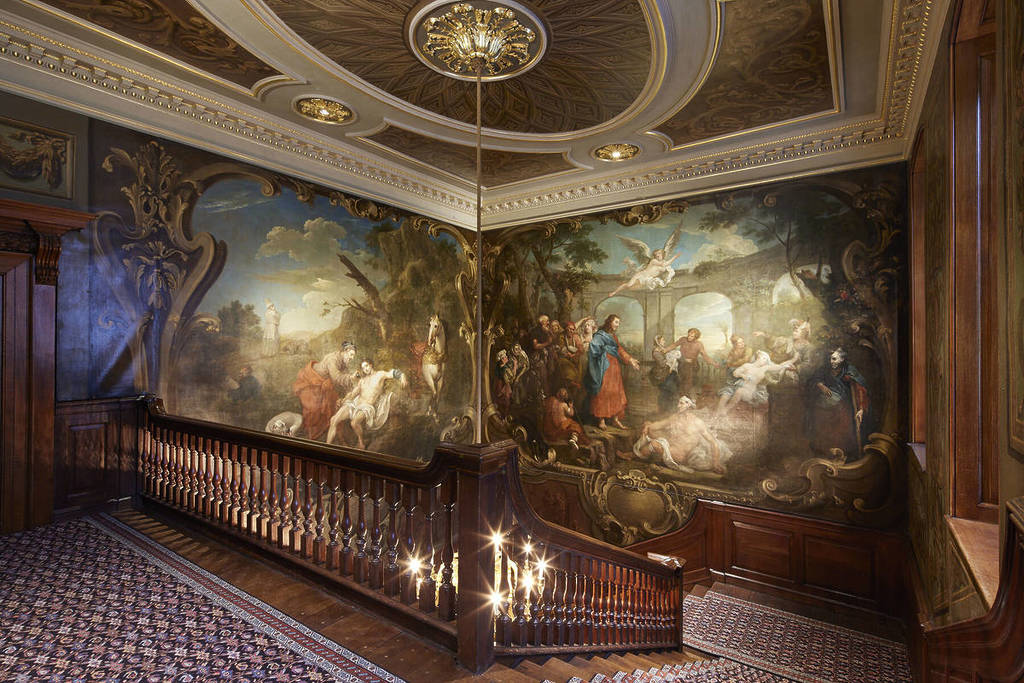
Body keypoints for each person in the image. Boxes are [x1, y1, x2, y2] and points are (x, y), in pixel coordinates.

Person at [631, 396, 732, 474]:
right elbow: (656, 426)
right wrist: (647, 425)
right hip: (671, 447)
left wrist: (715, 462)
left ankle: (634, 456)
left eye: (681, 403)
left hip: (681, 455)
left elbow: (713, 442)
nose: (678, 406)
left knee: (654, 444)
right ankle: (637, 455)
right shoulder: (675, 417)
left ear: (688, 405)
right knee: (649, 428)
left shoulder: (697, 422)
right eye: (679, 403)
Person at [326, 359, 407, 449]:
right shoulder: (362, 380)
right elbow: (353, 394)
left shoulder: (379, 375)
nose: (365, 369)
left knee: (354, 423)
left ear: (371, 365)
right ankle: (326, 446)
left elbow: (391, 373)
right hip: (354, 404)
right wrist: (343, 400)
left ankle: (361, 443)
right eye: (363, 368)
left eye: (366, 366)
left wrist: (402, 376)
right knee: (333, 420)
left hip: (367, 407)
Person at [806, 348, 868, 460]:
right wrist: (821, 385)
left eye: (834, 359)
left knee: (842, 429)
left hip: (843, 405)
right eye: (830, 359)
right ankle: (824, 453)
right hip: (824, 406)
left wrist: (861, 409)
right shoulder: (826, 369)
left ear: (842, 359)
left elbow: (860, 389)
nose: (831, 361)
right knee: (822, 426)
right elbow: (813, 379)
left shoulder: (849, 370)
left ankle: (843, 455)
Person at [292, 341, 358, 441]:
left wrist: (353, 389)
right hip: (311, 380)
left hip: (324, 382)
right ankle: (309, 435)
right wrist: (350, 378)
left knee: (332, 405)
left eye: (353, 356)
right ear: (346, 351)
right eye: (351, 355)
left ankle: (330, 432)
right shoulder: (333, 359)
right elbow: (336, 378)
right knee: (314, 408)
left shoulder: (343, 361)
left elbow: (346, 378)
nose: (352, 358)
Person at [585, 314, 640, 430]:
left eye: (619, 323)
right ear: (610, 322)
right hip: (603, 366)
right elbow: (593, 348)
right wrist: (603, 350)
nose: (617, 325)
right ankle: (601, 420)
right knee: (603, 391)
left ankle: (615, 419)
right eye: (616, 322)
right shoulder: (600, 335)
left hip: (614, 367)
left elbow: (619, 349)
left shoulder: (613, 337)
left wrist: (630, 360)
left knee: (616, 391)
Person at [714, 350, 795, 417]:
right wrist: (743, 375)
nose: (766, 362)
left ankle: (726, 409)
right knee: (726, 393)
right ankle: (718, 411)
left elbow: (778, 367)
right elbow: (735, 372)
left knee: (740, 391)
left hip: (749, 390)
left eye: (766, 360)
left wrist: (787, 365)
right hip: (737, 385)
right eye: (764, 359)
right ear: (758, 358)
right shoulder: (747, 365)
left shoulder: (765, 368)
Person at [666, 328, 717, 398]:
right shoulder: (683, 339)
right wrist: (665, 350)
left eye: (691, 336)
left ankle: (685, 396)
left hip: (692, 365)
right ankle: (682, 396)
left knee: (688, 381)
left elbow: (705, 356)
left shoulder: (699, 344)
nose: (689, 337)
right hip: (681, 364)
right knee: (680, 380)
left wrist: (713, 363)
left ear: (696, 337)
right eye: (688, 335)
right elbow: (673, 345)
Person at [650, 335, 681, 413]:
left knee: (670, 392)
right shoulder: (656, 352)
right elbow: (662, 364)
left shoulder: (663, 350)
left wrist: (673, 359)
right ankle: (664, 410)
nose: (664, 342)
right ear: (658, 342)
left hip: (668, 373)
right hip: (662, 374)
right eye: (663, 340)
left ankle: (669, 410)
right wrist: (673, 361)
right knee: (667, 391)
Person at [493, 348, 518, 417]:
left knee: (502, 402)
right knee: (506, 402)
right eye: (505, 357)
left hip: (500, 386)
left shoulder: (500, 367)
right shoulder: (505, 369)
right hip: (504, 387)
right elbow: (512, 378)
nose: (507, 357)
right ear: (502, 359)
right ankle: (505, 417)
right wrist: (515, 366)